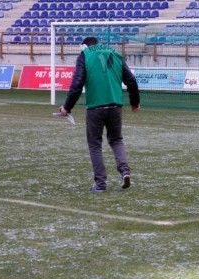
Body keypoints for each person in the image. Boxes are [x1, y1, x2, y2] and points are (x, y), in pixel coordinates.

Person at [59, 36, 140, 192]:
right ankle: (125, 172)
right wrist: (135, 102)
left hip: (95, 107)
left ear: (84, 46)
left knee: (95, 145)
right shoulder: (115, 53)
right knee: (116, 140)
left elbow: (77, 85)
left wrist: (67, 107)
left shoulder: (85, 54)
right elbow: (131, 80)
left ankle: (100, 183)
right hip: (116, 105)